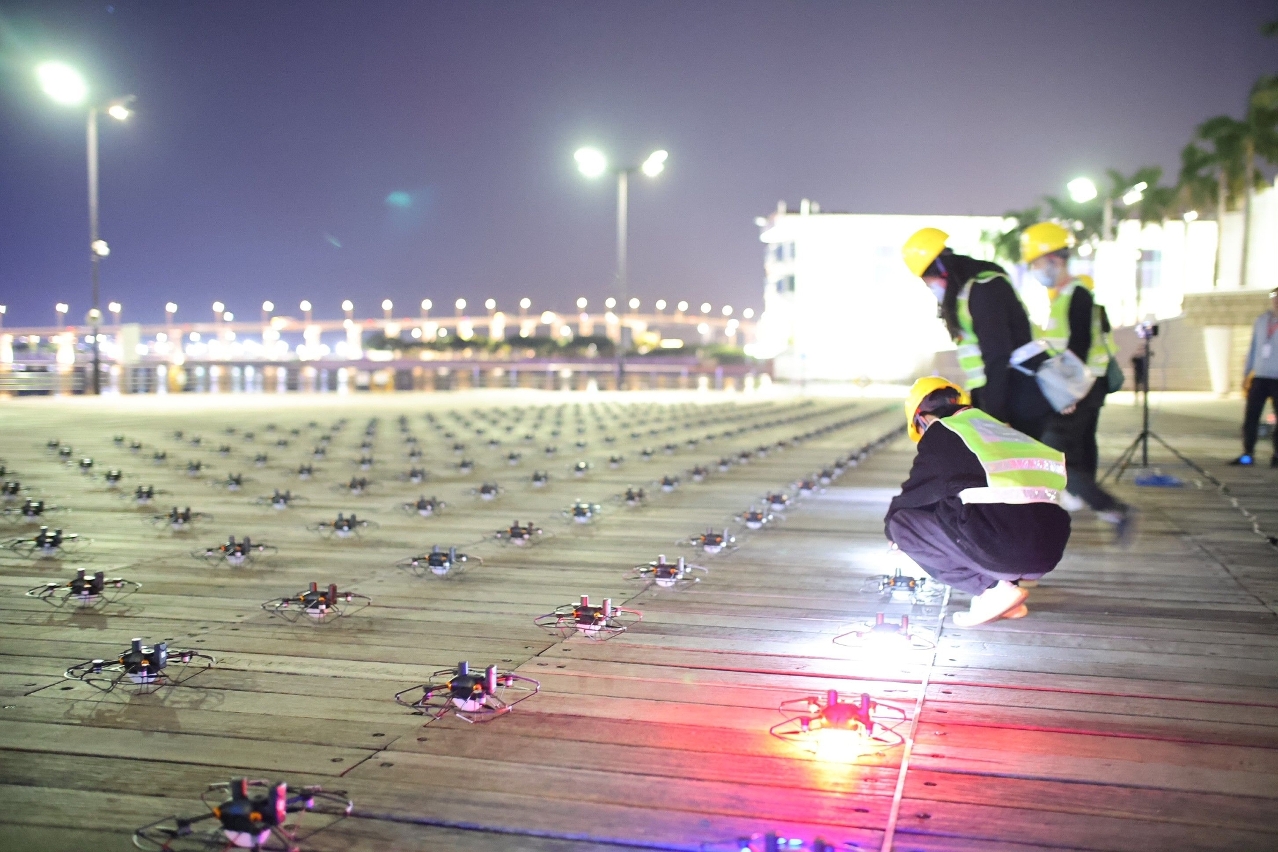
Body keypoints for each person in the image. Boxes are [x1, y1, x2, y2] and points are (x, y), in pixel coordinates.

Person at [885, 377, 1072, 627]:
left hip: (1007, 551)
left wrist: (891, 533)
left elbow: (913, 496)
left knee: (902, 525)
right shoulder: (997, 430)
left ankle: (991, 590)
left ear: (923, 418)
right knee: (976, 504)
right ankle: (1010, 589)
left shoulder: (943, 431)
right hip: (1047, 551)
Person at [1021, 222, 1133, 541]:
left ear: (1055, 260)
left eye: (1037, 262)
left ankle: (1112, 507)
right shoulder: (1065, 296)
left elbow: (1079, 346)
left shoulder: (1077, 294)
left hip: (1082, 387)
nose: (1036, 270)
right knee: (1079, 447)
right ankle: (1090, 501)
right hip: (1085, 386)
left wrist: (1068, 394)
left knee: (1051, 451)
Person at [902, 228, 1052, 438]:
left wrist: (996, 415)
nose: (931, 288)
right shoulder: (966, 295)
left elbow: (997, 355)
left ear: (941, 270)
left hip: (1016, 398)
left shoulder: (985, 290)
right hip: (999, 395)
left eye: (928, 281)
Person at [1231, 287, 1278, 467]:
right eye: (1274, 297)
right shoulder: (1262, 320)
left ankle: (1276, 455)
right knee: (1251, 416)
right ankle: (1248, 452)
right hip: (1260, 376)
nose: (1276, 301)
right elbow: (1253, 347)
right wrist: (1246, 373)